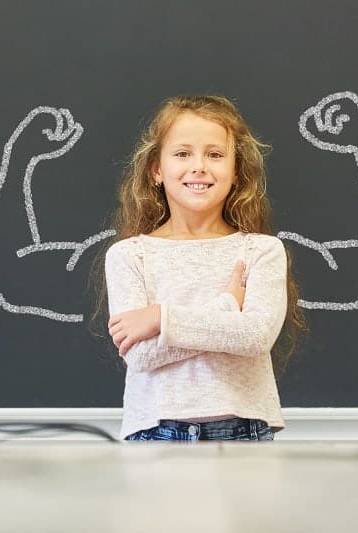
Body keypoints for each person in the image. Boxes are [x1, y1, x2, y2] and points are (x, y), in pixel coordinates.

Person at [93, 95, 305, 441]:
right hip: (155, 431)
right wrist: (225, 308)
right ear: (156, 170)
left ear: (236, 171)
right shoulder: (129, 255)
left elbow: (254, 337)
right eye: (182, 153)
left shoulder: (261, 251)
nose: (199, 167)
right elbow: (143, 355)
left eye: (215, 154)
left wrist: (161, 318)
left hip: (243, 430)